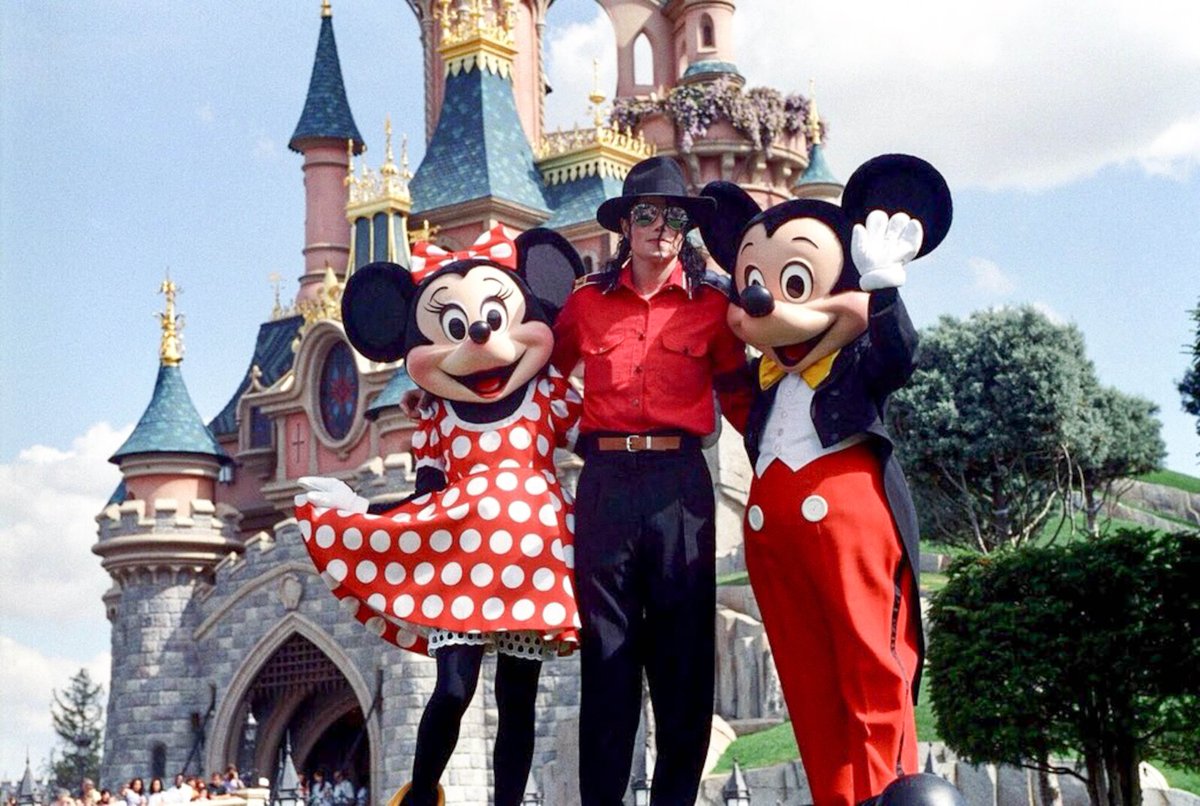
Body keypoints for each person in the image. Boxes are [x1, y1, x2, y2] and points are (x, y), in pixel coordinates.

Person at [297, 230, 586, 806]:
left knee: (518, 699)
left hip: (534, 563)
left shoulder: (549, 393)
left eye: (493, 317)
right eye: (454, 325)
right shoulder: (437, 416)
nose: (478, 334)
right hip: (462, 568)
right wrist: (362, 510)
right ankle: (422, 793)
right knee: (453, 689)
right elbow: (423, 500)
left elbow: (600, 445)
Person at [550, 155, 753, 805]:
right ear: (625, 227)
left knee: (684, 661)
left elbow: (741, 396)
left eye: (673, 218)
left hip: (679, 486)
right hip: (605, 484)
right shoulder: (585, 304)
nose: (660, 229)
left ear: (685, 229)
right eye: (646, 215)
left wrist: (788, 456)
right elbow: (541, 379)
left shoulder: (712, 306)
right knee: (607, 656)